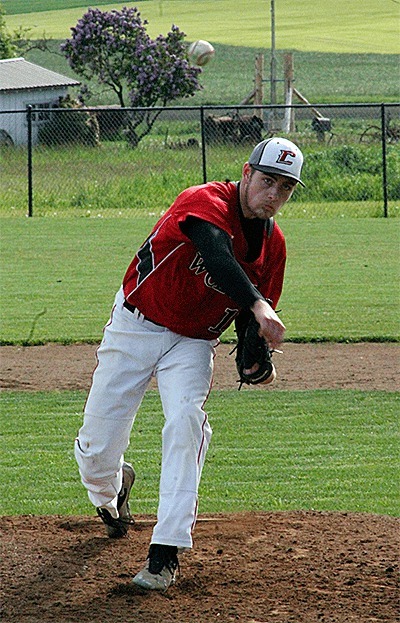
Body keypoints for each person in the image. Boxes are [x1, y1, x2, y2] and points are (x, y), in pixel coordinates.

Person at [74, 136, 305, 591]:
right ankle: (111, 489)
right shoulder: (204, 200)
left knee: (186, 422)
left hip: (194, 342)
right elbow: (216, 253)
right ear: (246, 173)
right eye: (267, 181)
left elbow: (245, 320)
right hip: (136, 325)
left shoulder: (273, 247)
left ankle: (166, 551)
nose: (274, 194)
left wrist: (255, 349)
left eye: (286, 187)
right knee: (97, 449)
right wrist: (259, 306)